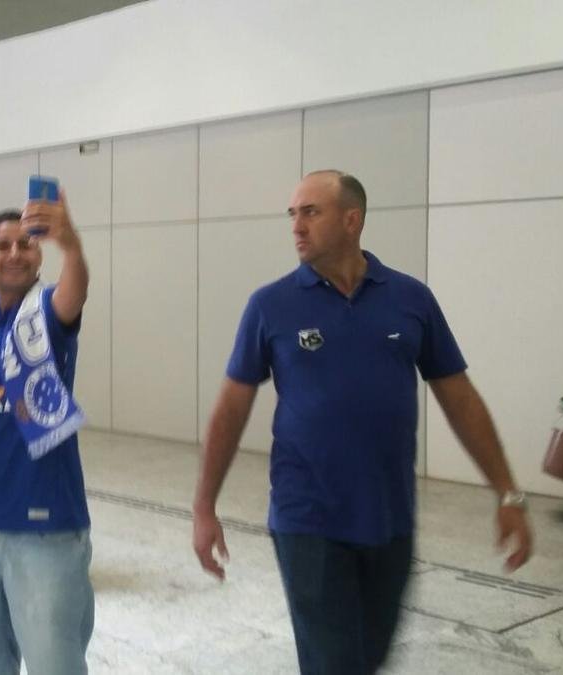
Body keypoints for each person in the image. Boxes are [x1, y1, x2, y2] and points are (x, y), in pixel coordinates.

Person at [192, 170, 534, 675]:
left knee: (368, 660)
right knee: (334, 664)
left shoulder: (410, 299)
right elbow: (231, 409)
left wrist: (507, 492)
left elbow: (459, 398)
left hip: (390, 519)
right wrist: (204, 507)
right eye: (293, 214)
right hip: (307, 520)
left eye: (311, 212)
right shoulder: (271, 305)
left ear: (352, 220)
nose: (296, 226)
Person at [0, 201, 93, 675]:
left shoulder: (47, 314)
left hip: (44, 527)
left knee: (55, 662)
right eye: (2, 246)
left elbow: (75, 292)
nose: (15, 253)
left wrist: (69, 243)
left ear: (39, 256)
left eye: (26, 244)